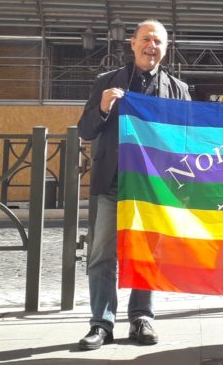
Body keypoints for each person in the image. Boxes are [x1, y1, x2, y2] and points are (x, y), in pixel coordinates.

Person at [77, 19, 191, 350]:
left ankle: (141, 317)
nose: (151, 46)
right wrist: (102, 108)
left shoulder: (178, 90)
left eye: (158, 41)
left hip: (154, 186)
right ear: (133, 43)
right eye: (145, 39)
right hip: (113, 182)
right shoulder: (105, 82)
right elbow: (85, 131)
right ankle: (101, 323)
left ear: (165, 49)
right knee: (101, 255)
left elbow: (186, 140)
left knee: (147, 254)